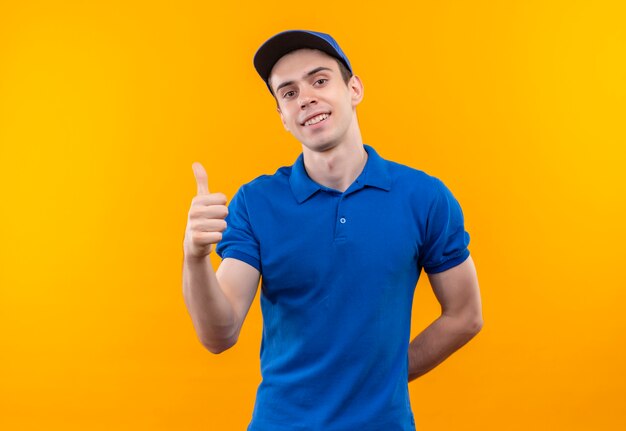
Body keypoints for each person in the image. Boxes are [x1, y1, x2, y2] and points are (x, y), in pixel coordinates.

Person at [182, 30, 483, 431]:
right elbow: (219, 334)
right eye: (287, 93)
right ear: (282, 117)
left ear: (354, 88)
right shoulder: (255, 203)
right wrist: (195, 258)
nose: (305, 97)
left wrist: (384, 377)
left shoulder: (424, 197)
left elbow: (465, 315)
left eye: (319, 80)